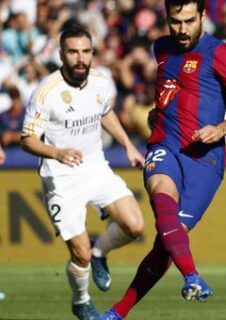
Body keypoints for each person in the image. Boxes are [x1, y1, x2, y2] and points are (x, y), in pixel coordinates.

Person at [100, 0, 226, 318]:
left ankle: (118, 312)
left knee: (166, 243)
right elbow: (170, 92)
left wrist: (221, 128)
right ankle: (192, 277)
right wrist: (157, 114)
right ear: (167, 19)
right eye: (175, 22)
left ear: (202, 16)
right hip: (164, 146)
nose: (182, 29)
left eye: (189, 21)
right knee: (162, 200)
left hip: (205, 159)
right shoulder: (161, 48)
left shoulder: (221, 52)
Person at [20, 25, 146, 320]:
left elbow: (105, 113)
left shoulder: (101, 82)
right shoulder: (46, 93)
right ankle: (81, 302)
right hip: (61, 177)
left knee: (136, 226)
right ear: (61, 54)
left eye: (85, 52)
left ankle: (101, 252)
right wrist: (57, 152)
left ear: (92, 53)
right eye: (73, 51)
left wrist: (128, 145)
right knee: (80, 254)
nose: (80, 58)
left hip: (96, 167)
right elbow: (27, 140)